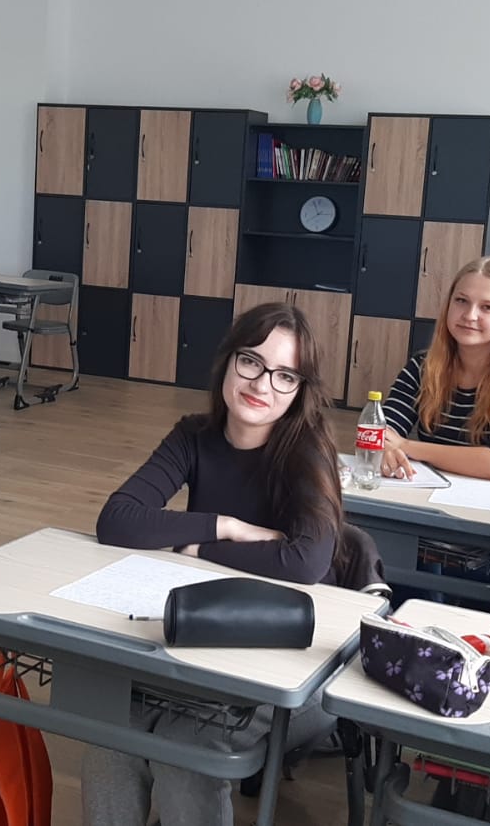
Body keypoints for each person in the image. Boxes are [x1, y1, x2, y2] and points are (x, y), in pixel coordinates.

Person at [86, 302, 381, 826]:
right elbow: (117, 520)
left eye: (284, 375)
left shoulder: (306, 452)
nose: (262, 384)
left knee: (185, 749)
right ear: (228, 360)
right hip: (206, 640)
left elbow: (303, 563)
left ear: (299, 389)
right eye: (251, 362)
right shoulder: (194, 437)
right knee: (110, 736)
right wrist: (224, 526)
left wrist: (199, 549)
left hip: (299, 664)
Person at [380, 257, 490, 582]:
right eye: (461, 301)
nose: (469, 315)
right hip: (437, 516)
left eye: (487, 307)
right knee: (384, 555)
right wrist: (386, 448)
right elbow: (379, 432)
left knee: (418, 575)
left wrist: (407, 447)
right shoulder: (422, 367)